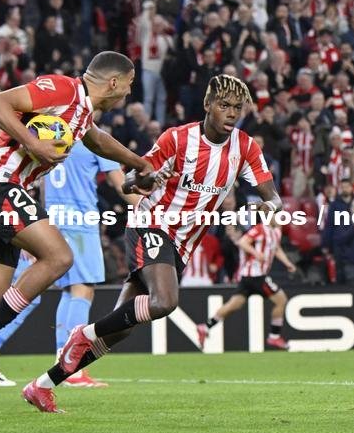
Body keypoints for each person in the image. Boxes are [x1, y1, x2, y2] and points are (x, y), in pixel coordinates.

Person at [0, 51, 158, 418]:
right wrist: (34, 144)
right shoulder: (63, 89)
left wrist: (142, 163)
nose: (129, 92)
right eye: (129, 85)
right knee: (60, 257)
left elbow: (99, 141)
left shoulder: (82, 112)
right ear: (114, 83)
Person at [22, 74, 282, 413]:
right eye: (224, 105)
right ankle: (83, 334)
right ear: (207, 105)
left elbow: (273, 196)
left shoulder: (245, 147)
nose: (232, 113)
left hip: (183, 243)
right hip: (151, 225)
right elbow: (129, 180)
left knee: (120, 329)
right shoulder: (177, 138)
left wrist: (268, 207)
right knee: (164, 302)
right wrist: (146, 179)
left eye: (237, 107)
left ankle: (41, 386)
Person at [45, 140, 138, 387]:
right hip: (80, 221)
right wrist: (149, 209)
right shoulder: (93, 139)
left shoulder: (53, 133)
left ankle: (62, 363)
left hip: (53, 220)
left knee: (69, 290)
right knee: (83, 289)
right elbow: (119, 183)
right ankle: (71, 367)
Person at [196, 218, 296, 351]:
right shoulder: (260, 228)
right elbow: (243, 242)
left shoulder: (276, 232)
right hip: (256, 275)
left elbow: (276, 248)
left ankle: (205, 327)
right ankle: (274, 336)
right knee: (281, 300)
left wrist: (287, 263)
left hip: (249, 278)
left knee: (234, 305)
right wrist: (256, 253)